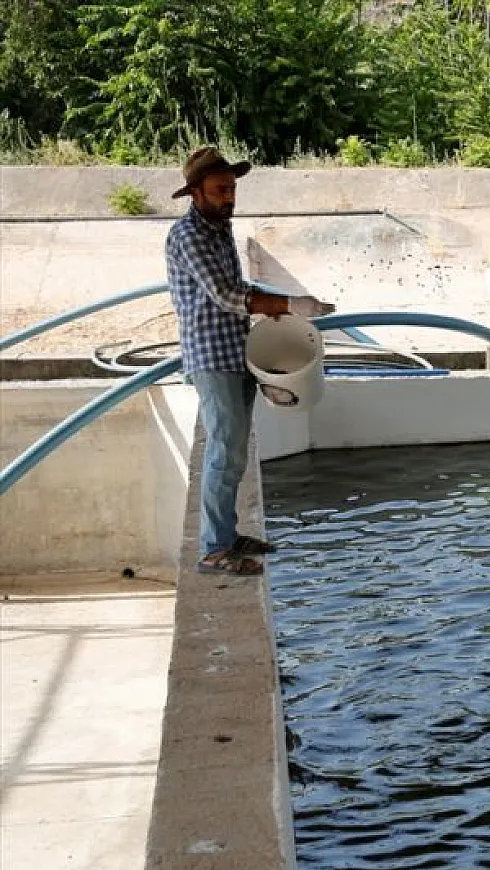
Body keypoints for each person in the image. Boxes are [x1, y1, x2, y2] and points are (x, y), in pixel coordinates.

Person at [164, 145, 334, 576]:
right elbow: (226, 295)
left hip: (234, 351)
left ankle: (227, 534)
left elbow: (236, 288)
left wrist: (274, 308)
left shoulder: (218, 229)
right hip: (211, 357)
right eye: (220, 189)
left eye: (232, 188)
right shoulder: (189, 236)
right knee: (223, 449)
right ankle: (213, 549)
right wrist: (289, 304)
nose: (229, 196)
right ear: (195, 193)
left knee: (236, 450)